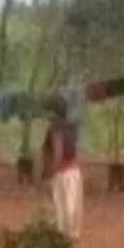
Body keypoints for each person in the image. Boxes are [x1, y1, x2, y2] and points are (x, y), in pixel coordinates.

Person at [41, 97, 83, 240]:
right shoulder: (71, 127)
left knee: (61, 212)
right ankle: (69, 242)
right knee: (71, 211)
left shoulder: (56, 129)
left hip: (62, 174)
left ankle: (62, 242)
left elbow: (58, 154)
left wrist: (49, 176)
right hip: (74, 172)